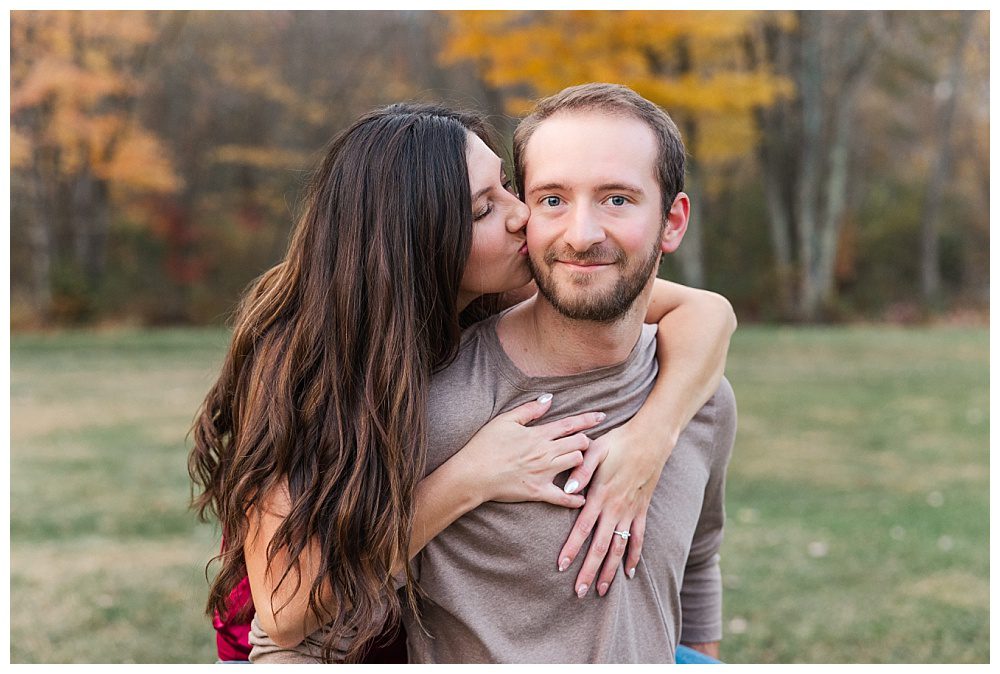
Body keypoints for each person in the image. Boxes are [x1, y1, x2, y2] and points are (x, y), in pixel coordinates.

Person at [189, 101, 735, 663]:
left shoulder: (524, 281)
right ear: (422, 244)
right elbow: (286, 614)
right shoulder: (308, 372)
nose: (523, 215)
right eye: (482, 210)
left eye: (506, 187)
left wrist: (653, 436)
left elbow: (708, 313)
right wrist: (471, 476)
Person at [398, 84, 737, 662]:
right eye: (552, 199)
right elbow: (305, 618)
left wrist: (656, 432)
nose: (581, 235)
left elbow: (698, 558)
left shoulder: (701, 395)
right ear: (522, 214)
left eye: (617, 200)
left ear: (672, 222)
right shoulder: (438, 403)